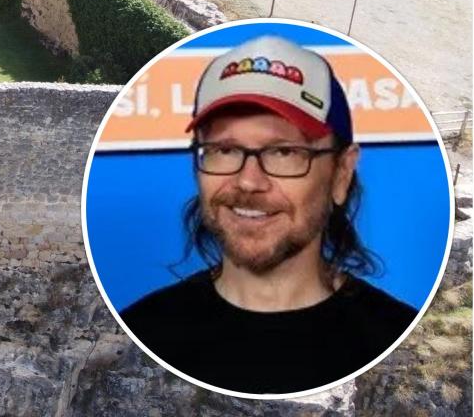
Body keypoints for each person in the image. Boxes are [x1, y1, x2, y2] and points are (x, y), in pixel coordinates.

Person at [119, 35, 418, 394]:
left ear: (342, 172)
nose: (248, 181)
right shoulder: (140, 331)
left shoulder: (400, 344)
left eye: (284, 152)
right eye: (225, 149)